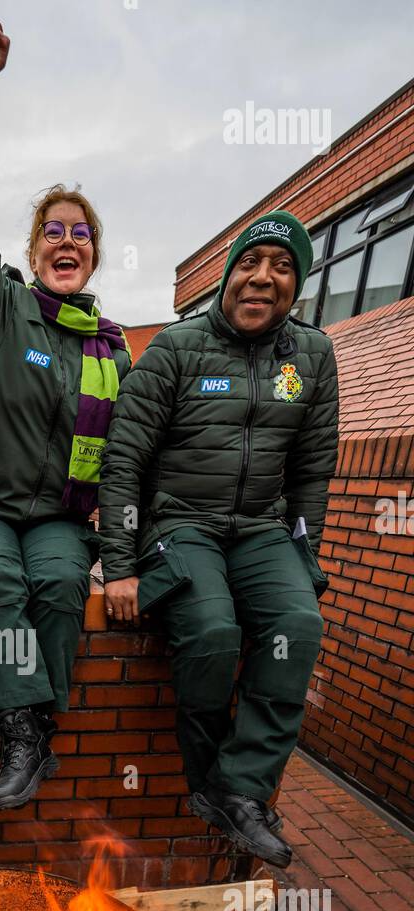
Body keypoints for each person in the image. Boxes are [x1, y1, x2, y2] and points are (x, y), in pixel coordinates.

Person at [0, 19, 132, 810]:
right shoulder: (2, 307)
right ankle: (19, 731)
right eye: (54, 231)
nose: (67, 241)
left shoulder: (111, 352)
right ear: (35, 249)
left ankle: (41, 727)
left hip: (59, 518)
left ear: (94, 255)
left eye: (81, 234)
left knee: (55, 583)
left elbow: (124, 462)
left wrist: (124, 554)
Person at [100, 210, 339, 868]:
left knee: (300, 622)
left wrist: (302, 556)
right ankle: (212, 781)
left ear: (297, 286)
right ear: (229, 276)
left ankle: (241, 791)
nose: (262, 278)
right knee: (211, 631)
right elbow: (122, 459)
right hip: (180, 523)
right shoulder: (177, 348)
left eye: (282, 267)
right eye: (250, 264)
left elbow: (313, 472)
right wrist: (120, 563)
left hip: (263, 528)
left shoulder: (313, 357)